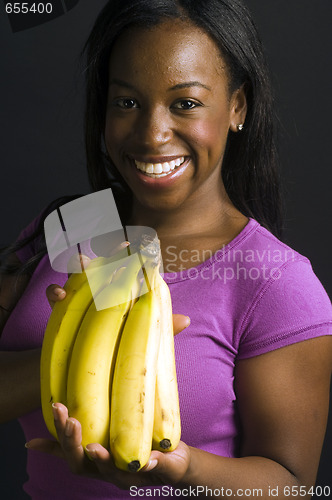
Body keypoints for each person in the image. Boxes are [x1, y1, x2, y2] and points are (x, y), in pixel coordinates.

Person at [0, 0, 331, 498]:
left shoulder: (273, 281)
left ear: (237, 106)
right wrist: (72, 351)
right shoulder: (78, 223)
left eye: (186, 103)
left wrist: (184, 470)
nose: (152, 134)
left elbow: (293, 485)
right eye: (127, 102)